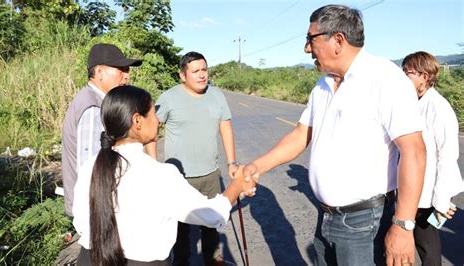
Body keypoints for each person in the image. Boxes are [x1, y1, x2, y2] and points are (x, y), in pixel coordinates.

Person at [241, 4, 426, 266]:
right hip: (326, 216)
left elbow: (414, 152)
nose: (307, 48)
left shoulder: (385, 79)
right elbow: (300, 135)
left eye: (310, 39)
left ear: (338, 40)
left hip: (364, 223)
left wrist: (403, 226)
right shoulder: (323, 84)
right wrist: (256, 166)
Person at [72, 86, 255, 265]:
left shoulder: (90, 166)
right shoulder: (160, 174)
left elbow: (80, 223)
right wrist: (237, 186)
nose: (158, 121)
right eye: (153, 114)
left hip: (89, 258)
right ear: (137, 121)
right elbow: (211, 214)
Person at [146, 51, 238, 266]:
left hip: (210, 174)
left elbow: (225, 127)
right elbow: (150, 131)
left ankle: (214, 260)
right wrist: (153, 165)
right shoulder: (169, 98)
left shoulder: (217, 96)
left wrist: (231, 162)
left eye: (204, 69)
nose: (201, 75)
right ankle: (181, 262)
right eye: (195, 71)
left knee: (213, 224)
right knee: (180, 229)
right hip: (179, 178)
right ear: (182, 75)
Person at [62, 43, 142, 217]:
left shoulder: (99, 102)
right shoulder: (93, 108)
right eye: (121, 70)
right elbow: (91, 169)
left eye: (127, 70)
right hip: (96, 209)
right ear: (99, 72)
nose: (126, 76)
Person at [402, 51, 463, 265]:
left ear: (425, 76)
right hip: (413, 187)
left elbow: (448, 156)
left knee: (427, 246)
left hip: (430, 193)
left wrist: (441, 200)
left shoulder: (439, 108)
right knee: (410, 242)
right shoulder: (413, 103)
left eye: (408, 72)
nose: (404, 77)